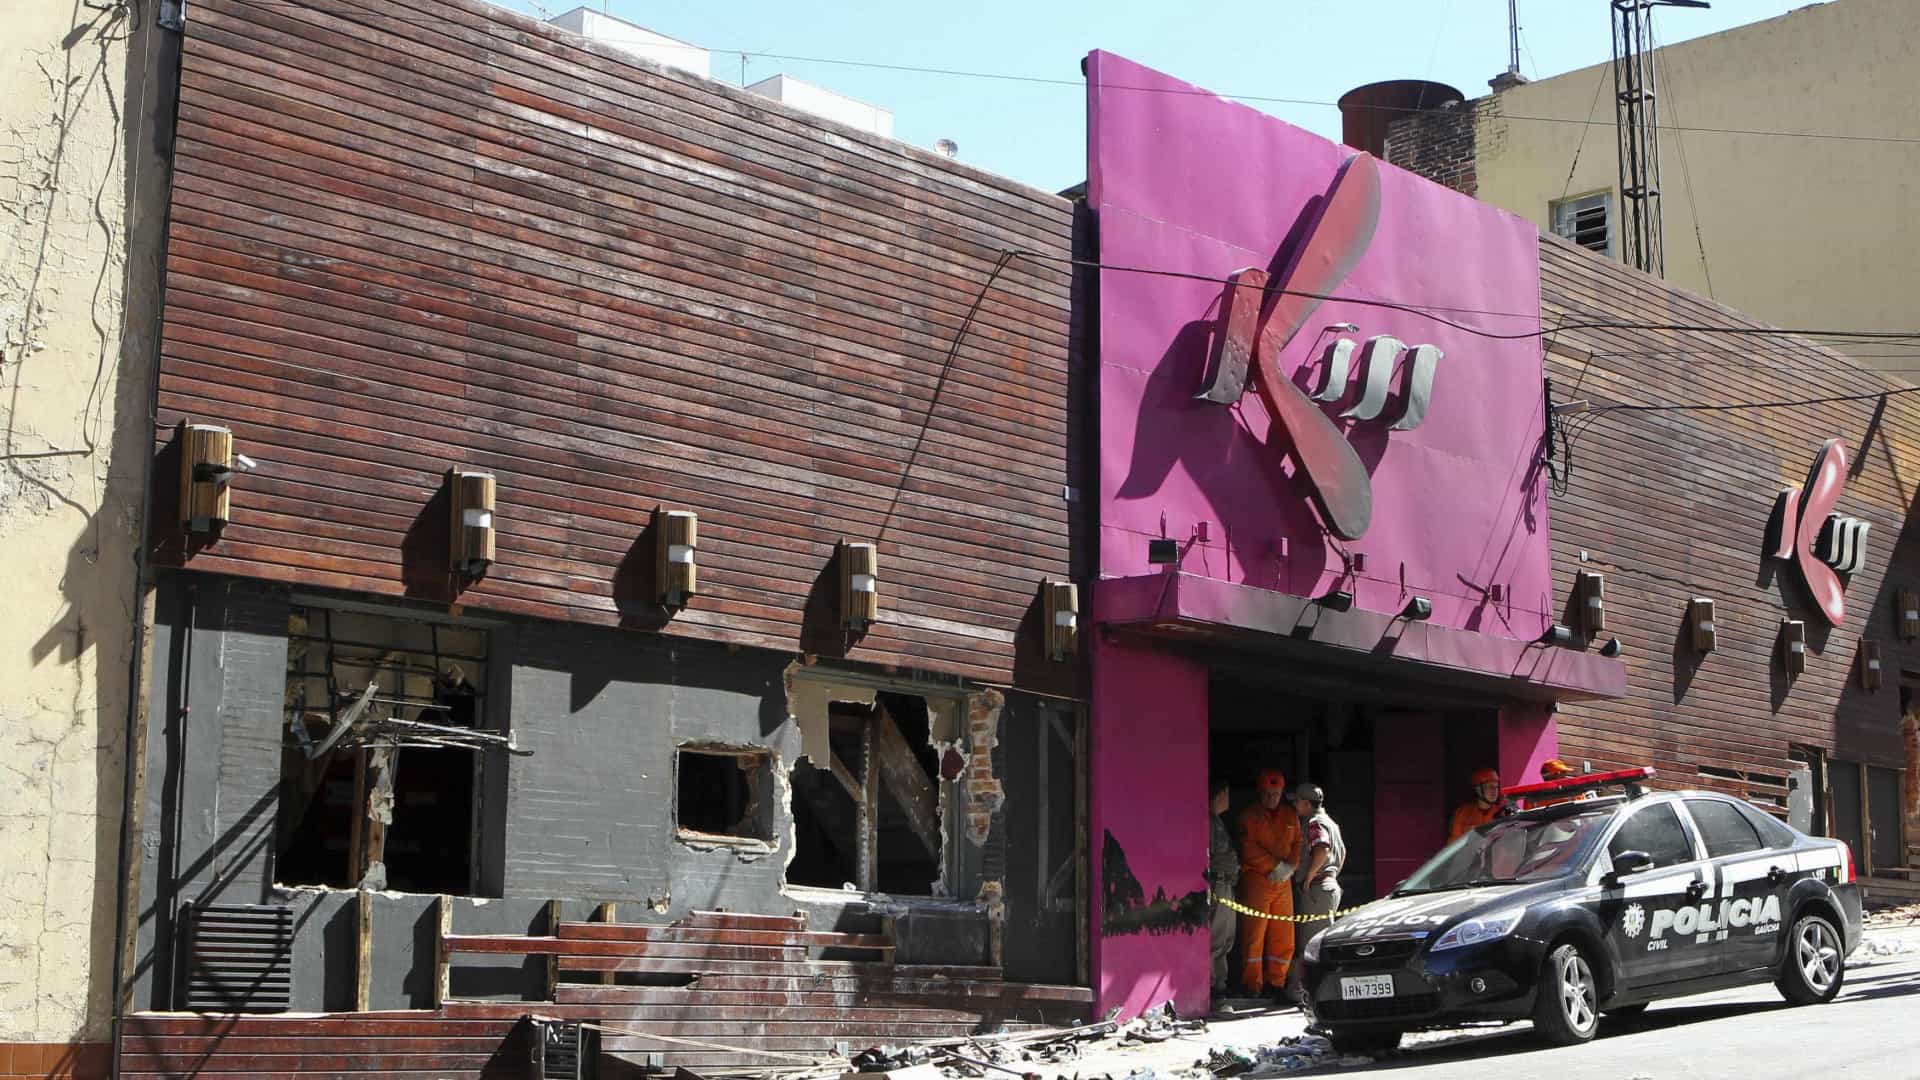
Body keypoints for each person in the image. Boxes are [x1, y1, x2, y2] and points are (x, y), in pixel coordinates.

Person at [1236, 768, 1302, 999]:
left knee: (1283, 935)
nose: (1272, 798)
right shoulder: (1248, 816)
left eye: (1276, 794)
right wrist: (1275, 866)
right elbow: (1247, 847)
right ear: (1259, 792)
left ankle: (1277, 983)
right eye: (1267, 793)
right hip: (1257, 880)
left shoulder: (1290, 815)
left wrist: (1290, 867)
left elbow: (1298, 844)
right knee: (1254, 935)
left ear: (1282, 793)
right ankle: (1252, 985)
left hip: (1283, 882)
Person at [1286, 783, 1345, 1002]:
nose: (1294, 806)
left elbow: (1322, 849)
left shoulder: (1314, 823)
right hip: (1329, 887)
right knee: (1321, 942)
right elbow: (1341, 853)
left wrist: (1309, 877)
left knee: (1312, 945)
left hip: (1317, 890)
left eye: (1297, 801)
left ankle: (1313, 994)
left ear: (1306, 803)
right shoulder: (1331, 823)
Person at [1207, 775, 1240, 1000]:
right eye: (1226, 794)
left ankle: (1220, 982)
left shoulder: (1217, 821)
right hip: (1217, 884)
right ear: (1219, 795)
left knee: (1226, 937)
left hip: (1226, 883)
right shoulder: (1208, 822)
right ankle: (1212, 986)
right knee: (1217, 937)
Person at [1448, 767, 1504, 842]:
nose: (1494, 791)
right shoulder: (1462, 813)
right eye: (1489, 787)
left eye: (1496, 787)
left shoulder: (1502, 813)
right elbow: (1454, 843)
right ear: (1478, 789)